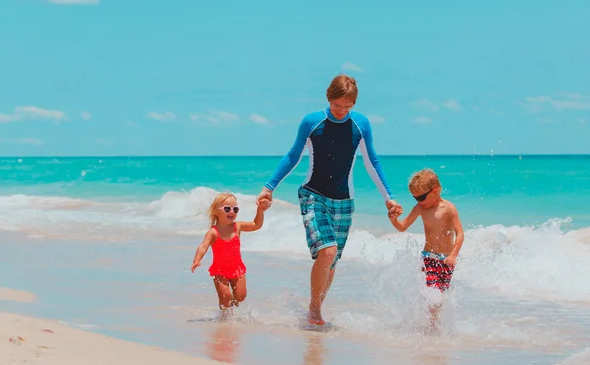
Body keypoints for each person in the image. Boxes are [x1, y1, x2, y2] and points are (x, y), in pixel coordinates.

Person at [255, 74, 401, 326]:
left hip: (344, 200)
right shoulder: (312, 122)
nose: (342, 111)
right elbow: (292, 156)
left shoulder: (361, 124)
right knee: (327, 251)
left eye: (348, 106)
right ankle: (314, 310)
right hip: (313, 194)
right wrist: (269, 187)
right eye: (337, 105)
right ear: (328, 98)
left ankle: (316, 307)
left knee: (332, 261)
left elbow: (372, 161)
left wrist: (389, 198)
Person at [388, 168, 464, 331]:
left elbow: (460, 233)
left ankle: (432, 325)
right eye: (415, 197)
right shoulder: (421, 208)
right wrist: (394, 220)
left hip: (447, 260)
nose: (418, 200)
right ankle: (430, 326)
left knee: (440, 296)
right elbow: (403, 226)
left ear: (435, 190)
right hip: (429, 257)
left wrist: (453, 255)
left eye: (421, 197)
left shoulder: (449, 209)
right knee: (432, 293)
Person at [191, 192, 269, 318]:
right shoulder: (213, 232)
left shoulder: (237, 226)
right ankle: (224, 319)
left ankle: (230, 307)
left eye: (235, 209)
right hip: (220, 270)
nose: (231, 211)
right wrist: (197, 260)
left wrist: (260, 210)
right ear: (216, 211)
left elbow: (256, 225)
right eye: (227, 208)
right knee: (225, 296)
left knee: (241, 296)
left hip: (237, 269)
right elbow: (203, 246)